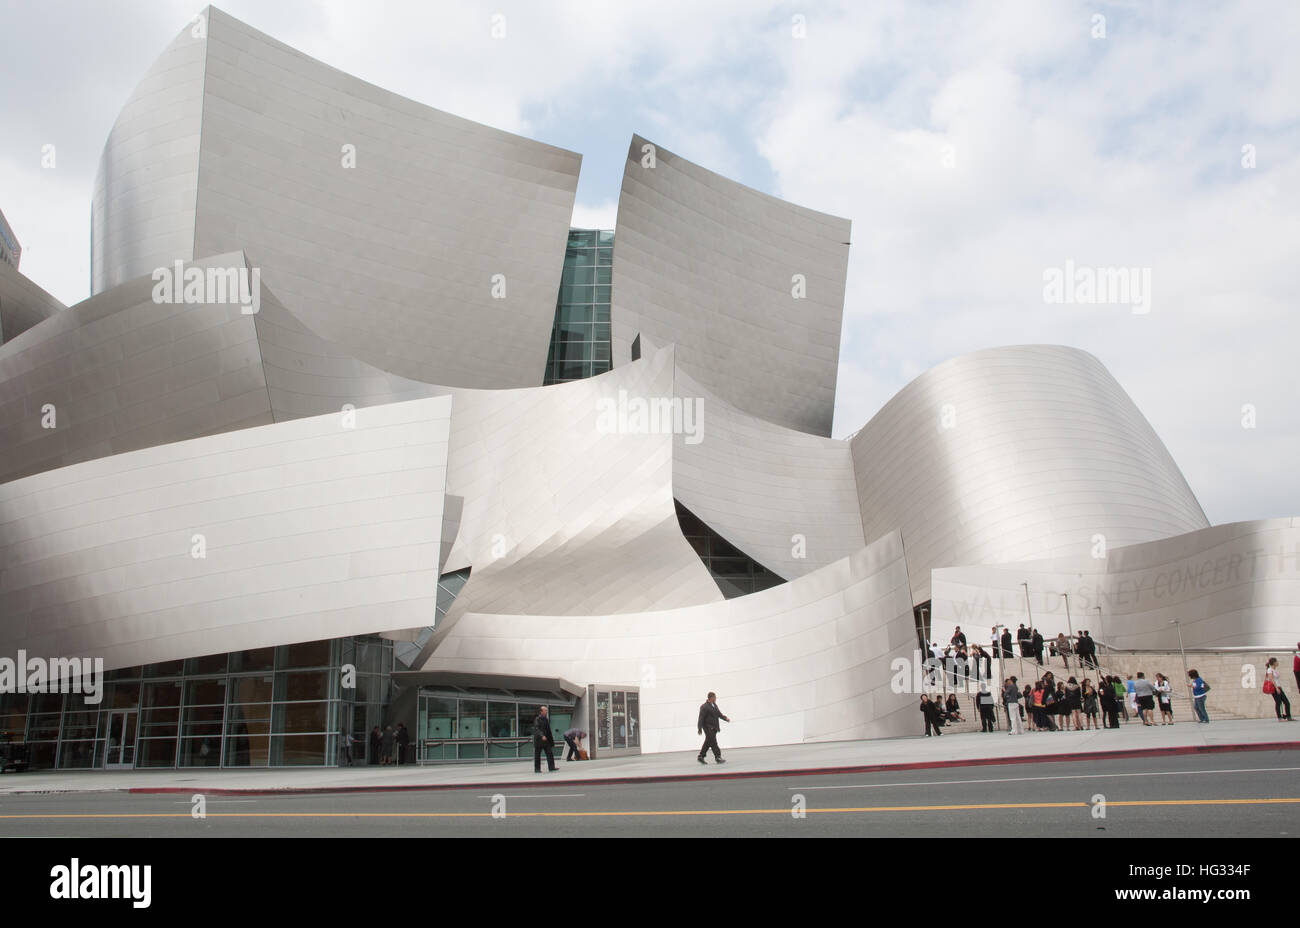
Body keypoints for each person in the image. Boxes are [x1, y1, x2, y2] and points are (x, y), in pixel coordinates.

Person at [697, 692, 731, 763]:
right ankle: (718, 757)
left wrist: (725, 718)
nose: (716, 698)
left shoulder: (714, 705)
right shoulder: (704, 707)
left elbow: (719, 714)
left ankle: (701, 756)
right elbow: (701, 718)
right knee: (713, 742)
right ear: (711, 697)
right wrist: (699, 728)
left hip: (714, 727)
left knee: (708, 742)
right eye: (715, 697)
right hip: (708, 728)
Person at [533, 705, 557, 772]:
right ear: (541, 712)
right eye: (545, 710)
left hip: (546, 740)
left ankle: (551, 767)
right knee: (537, 755)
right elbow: (537, 729)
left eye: (546, 710)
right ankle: (537, 769)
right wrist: (542, 735)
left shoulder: (546, 719)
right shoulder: (537, 719)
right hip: (539, 740)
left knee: (550, 753)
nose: (546, 711)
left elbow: (548, 730)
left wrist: (551, 740)